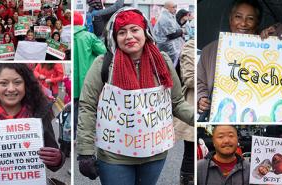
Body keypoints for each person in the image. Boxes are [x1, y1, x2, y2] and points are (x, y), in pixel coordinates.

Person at [77, 7, 194, 185]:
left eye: (134, 30)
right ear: (115, 37)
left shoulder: (162, 62)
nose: (129, 36)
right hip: (114, 156)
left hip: (154, 153)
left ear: (145, 32)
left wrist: (201, 121)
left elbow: (177, 102)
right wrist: (85, 151)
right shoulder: (103, 64)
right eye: (122, 32)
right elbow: (88, 106)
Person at [197, 0, 282, 119]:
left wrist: (276, 37)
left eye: (250, 18)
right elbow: (199, 81)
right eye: (238, 17)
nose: (243, 23)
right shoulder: (209, 50)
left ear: (257, 23)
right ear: (230, 19)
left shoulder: (269, 46)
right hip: (222, 116)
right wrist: (201, 98)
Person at [73, 11, 106, 144]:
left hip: (73, 82)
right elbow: (103, 51)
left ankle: (74, 134)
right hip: (88, 80)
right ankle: (93, 135)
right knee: (90, 107)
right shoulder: (89, 36)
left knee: (75, 108)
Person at [176, 38, 195, 185]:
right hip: (194, 106)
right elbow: (189, 79)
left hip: (225, 107)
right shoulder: (191, 45)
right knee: (191, 152)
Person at [153, 1, 185, 67]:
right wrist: (182, 31)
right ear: (167, 8)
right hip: (167, 48)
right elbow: (171, 35)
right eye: (173, 7)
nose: (175, 9)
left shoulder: (169, 16)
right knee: (169, 67)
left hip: (168, 47)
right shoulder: (166, 18)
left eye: (176, 7)